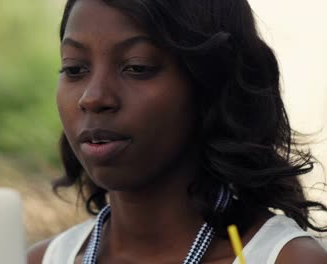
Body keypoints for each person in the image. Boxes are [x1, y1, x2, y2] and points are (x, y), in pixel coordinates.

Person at [29, 0, 327, 263]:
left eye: (136, 66)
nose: (92, 97)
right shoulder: (40, 260)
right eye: (74, 69)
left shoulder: (283, 259)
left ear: (211, 83)